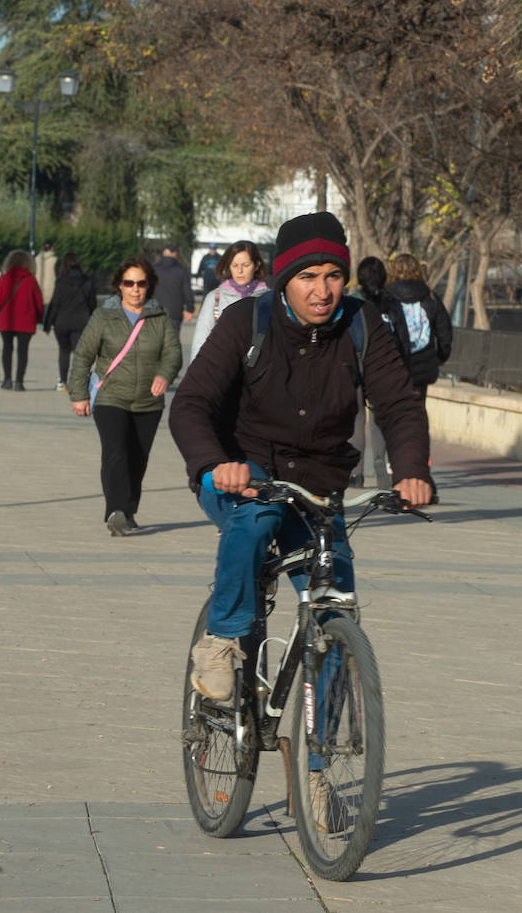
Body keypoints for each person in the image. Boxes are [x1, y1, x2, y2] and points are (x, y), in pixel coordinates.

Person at [170, 212, 432, 707]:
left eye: (334, 275)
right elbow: (191, 404)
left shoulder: (362, 324)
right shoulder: (246, 321)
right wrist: (212, 464)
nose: (322, 290)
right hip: (241, 470)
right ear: (285, 280)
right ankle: (222, 641)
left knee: (335, 607)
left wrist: (412, 470)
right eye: (307, 277)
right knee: (256, 517)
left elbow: (399, 405)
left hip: (318, 483)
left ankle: (321, 768)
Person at [67, 256, 182, 537]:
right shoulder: (104, 316)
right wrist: (78, 394)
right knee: (116, 452)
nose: (135, 289)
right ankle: (115, 511)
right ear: (119, 285)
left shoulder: (159, 316)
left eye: (141, 283)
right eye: (129, 283)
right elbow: (83, 355)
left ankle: (129, 510)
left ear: (149, 285)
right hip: (111, 397)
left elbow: (173, 353)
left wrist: (164, 375)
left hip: (148, 401)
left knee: (137, 458)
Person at [382, 252, 454, 393]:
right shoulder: (430, 297)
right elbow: (444, 332)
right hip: (422, 367)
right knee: (417, 409)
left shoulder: (386, 298)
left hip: (393, 366)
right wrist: (442, 356)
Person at [189, 240, 269, 363]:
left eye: (246, 265)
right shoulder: (215, 298)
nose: (240, 271)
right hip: (221, 371)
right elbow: (200, 342)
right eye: (235, 265)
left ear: (256, 265)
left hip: (257, 374)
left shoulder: (268, 298)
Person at [351, 256, 390, 488]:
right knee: (378, 421)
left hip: (356, 364)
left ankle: (356, 473)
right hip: (382, 367)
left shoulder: (353, 302)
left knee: (356, 419)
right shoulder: (390, 301)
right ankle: (379, 464)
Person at [0, 250, 44, 390]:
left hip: (6, 321)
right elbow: (39, 302)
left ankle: (7, 380)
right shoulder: (31, 280)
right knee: (23, 351)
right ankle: (19, 382)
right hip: (26, 321)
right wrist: (39, 319)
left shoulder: (6, 278)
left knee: (7, 348)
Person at [43, 252, 98, 391]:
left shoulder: (61, 281)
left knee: (64, 351)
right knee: (80, 353)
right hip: (81, 321)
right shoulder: (87, 281)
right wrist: (92, 316)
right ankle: (80, 382)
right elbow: (92, 302)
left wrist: (47, 324)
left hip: (62, 322)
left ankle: (62, 382)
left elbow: (55, 304)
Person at [152, 244, 192, 337]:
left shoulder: (153, 269)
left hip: (155, 312)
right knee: (173, 342)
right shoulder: (181, 270)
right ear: (175, 254)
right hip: (175, 312)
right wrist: (190, 309)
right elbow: (187, 291)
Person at [34, 242, 58, 309]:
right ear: (52, 248)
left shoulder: (36, 260)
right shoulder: (55, 260)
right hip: (51, 293)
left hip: (38, 291)